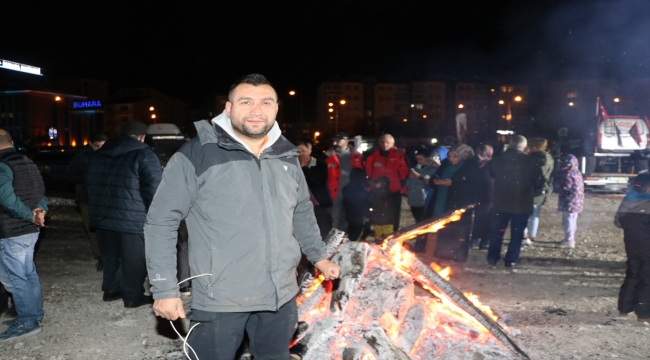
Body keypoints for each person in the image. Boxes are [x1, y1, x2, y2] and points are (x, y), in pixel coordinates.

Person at [144, 74, 340, 360]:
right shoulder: (197, 154)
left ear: (275, 109)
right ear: (228, 108)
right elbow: (161, 221)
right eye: (246, 101)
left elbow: (300, 210)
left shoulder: (285, 154)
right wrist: (164, 288)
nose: (256, 110)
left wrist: (319, 256)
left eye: (266, 102)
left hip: (281, 295)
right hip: (221, 297)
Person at [86, 121, 162, 308]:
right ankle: (133, 296)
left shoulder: (99, 154)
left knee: (111, 256)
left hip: (103, 215)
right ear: (142, 137)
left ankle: (111, 290)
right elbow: (154, 188)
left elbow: (89, 183)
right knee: (134, 259)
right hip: (132, 217)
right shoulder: (144, 154)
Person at [0, 129, 48, 342]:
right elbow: (41, 191)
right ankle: (34, 314)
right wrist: (39, 211)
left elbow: (6, 199)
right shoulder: (26, 160)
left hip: (10, 230)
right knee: (28, 274)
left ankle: (27, 322)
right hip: (29, 231)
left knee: (14, 279)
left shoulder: (2, 164)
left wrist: (29, 215)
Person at [487, 135, 543, 267]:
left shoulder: (497, 160)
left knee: (497, 232)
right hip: (522, 203)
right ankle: (511, 259)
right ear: (525, 147)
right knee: (517, 234)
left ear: (510, 145)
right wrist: (535, 193)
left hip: (500, 202)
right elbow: (539, 182)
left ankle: (493, 257)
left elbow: (491, 175)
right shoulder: (531, 162)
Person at [429, 144, 481, 263]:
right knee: (443, 226)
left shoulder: (470, 167)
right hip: (442, 199)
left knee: (458, 229)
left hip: (458, 203)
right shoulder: (446, 164)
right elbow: (435, 177)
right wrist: (435, 181)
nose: (452, 159)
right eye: (450, 156)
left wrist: (453, 183)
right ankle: (442, 252)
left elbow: (472, 186)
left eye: (455, 157)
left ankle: (457, 255)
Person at [66, 132, 108, 271]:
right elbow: (70, 176)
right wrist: (89, 179)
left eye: (103, 145)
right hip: (86, 199)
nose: (100, 148)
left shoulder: (111, 155)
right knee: (92, 229)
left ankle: (110, 257)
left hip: (106, 199)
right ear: (90, 144)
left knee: (109, 229)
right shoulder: (81, 158)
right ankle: (101, 258)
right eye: (97, 146)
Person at [614, 173, 650, 323]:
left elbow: (618, 222)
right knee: (647, 280)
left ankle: (624, 309)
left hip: (632, 246)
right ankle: (643, 314)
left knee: (632, 275)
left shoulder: (628, 200)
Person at [365, 134, 408, 231]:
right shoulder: (373, 155)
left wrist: (402, 185)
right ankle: (379, 234)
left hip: (394, 190)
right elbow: (368, 172)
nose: (385, 144)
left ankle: (393, 234)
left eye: (388, 142)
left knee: (394, 214)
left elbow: (405, 171)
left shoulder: (399, 154)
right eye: (382, 142)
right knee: (377, 212)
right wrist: (371, 185)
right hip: (377, 191)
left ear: (393, 143)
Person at [324, 132, 364, 231]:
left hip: (351, 192)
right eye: (334, 141)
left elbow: (362, 173)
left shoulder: (357, 156)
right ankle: (334, 241)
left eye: (338, 141)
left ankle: (349, 240)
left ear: (346, 141)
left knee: (351, 216)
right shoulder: (327, 156)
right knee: (335, 217)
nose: (335, 143)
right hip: (334, 191)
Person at [297, 141, 333, 240]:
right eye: (297, 151)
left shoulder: (320, 165)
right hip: (301, 205)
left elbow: (319, 180)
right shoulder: (292, 166)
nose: (300, 153)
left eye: (303, 150)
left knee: (323, 229)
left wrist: (303, 168)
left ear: (309, 151)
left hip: (319, 203)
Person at [522, 138, 554, 246]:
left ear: (536, 146)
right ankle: (532, 236)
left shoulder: (532, 159)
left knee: (524, 214)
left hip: (529, 189)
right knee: (535, 215)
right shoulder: (549, 158)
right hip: (542, 189)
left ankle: (524, 236)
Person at [405, 149, 437, 252]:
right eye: (417, 159)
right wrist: (410, 178)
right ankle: (420, 245)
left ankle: (421, 246)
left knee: (422, 224)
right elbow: (407, 184)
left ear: (427, 158)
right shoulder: (415, 169)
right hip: (414, 199)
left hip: (424, 200)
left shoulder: (431, 169)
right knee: (418, 222)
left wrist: (419, 177)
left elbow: (428, 183)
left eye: (421, 159)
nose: (419, 161)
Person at [555, 154, 584, 248]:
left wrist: (557, 187)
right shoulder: (577, 172)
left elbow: (566, 187)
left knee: (567, 220)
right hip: (577, 200)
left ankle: (569, 240)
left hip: (569, 200)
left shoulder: (567, 173)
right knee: (573, 219)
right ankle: (570, 238)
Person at [470, 144, 494, 250]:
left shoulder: (492, 165)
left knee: (487, 218)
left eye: (482, 154)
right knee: (479, 218)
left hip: (489, 196)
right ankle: (477, 239)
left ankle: (485, 240)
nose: (479, 156)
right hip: (479, 196)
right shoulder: (476, 165)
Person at [342, 168, 370, 241]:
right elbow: (364, 204)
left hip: (349, 215)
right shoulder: (361, 190)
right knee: (357, 234)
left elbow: (345, 202)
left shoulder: (346, 188)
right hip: (358, 217)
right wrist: (367, 215)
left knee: (351, 231)